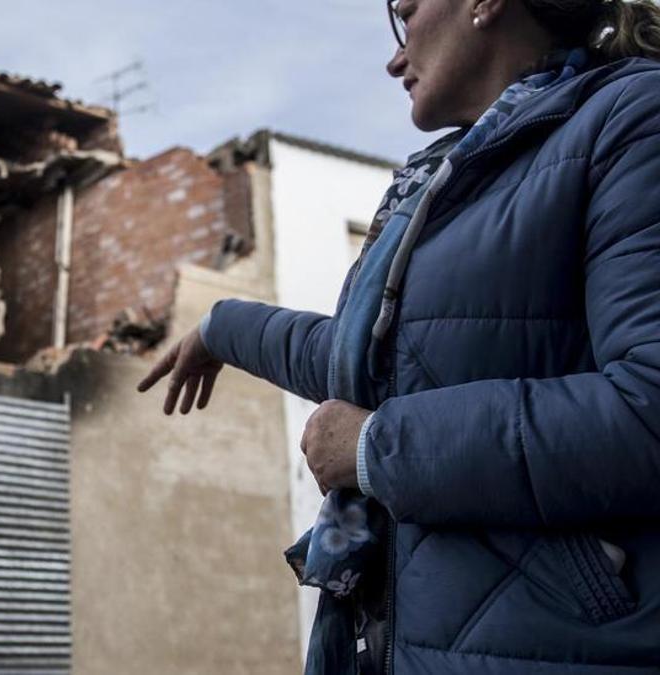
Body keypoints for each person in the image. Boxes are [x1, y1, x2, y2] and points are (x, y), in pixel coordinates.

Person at [137, 1, 660, 673]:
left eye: (404, 13)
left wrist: (375, 449)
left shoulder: (631, 118)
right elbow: (373, 363)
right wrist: (221, 326)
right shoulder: (442, 181)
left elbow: (646, 410)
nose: (393, 57)